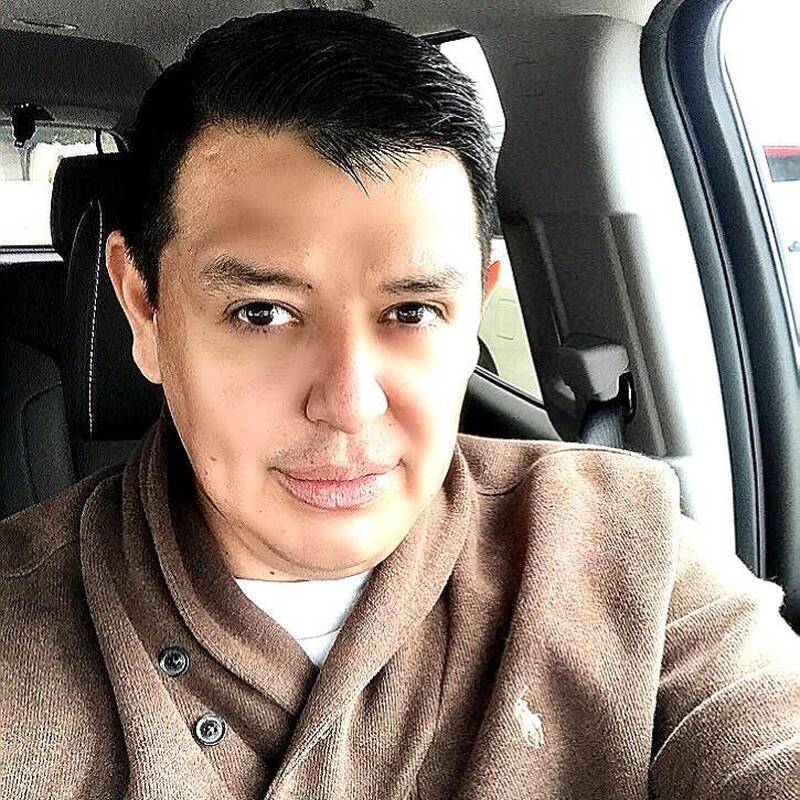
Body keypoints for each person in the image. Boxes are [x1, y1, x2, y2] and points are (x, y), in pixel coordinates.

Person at [1, 9, 798, 799]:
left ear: (474, 309)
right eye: (262, 312)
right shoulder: (19, 627)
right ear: (144, 309)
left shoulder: (627, 554)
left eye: (412, 311)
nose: (349, 404)